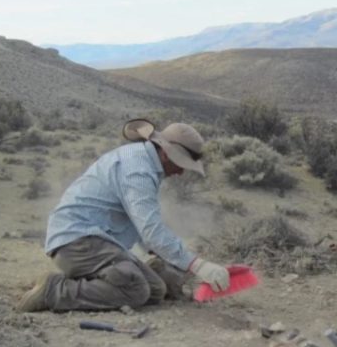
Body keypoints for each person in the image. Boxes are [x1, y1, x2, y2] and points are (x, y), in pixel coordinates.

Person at [16, 119, 231, 312]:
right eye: (180, 163)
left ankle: (136, 272)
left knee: (155, 290)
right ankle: (54, 291)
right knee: (136, 291)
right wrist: (198, 265)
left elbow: (138, 223)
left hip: (92, 241)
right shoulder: (138, 171)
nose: (181, 172)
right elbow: (151, 231)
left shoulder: (142, 161)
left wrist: (160, 254)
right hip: (78, 242)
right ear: (165, 153)